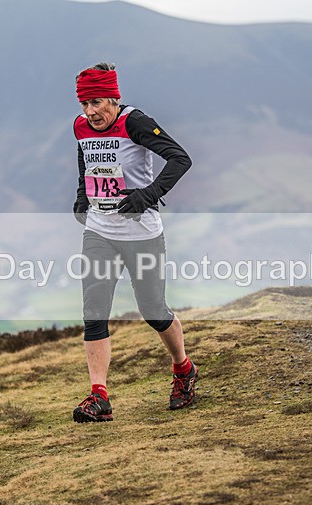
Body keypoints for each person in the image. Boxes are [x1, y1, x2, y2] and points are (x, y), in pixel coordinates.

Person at [71, 62, 197, 423]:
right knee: (94, 312)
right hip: (99, 231)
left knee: (153, 311)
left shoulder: (135, 122)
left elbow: (180, 159)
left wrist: (148, 194)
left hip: (141, 233)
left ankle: (183, 370)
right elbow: (86, 161)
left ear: (113, 96)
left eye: (96, 102)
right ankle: (99, 396)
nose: (90, 112)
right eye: (84, 104)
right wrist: (83, 195)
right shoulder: (80, 127)